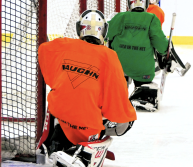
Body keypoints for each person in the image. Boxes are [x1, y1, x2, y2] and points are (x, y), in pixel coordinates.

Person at [38, 9, 137, 167]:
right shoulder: (110, 56)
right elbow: (117, 100)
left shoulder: (63, 44)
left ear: (79, 29)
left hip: (61, 116)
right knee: (127, 117)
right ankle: (83, 149)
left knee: (58, 96)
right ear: (103, 31)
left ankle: (52, 142)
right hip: (88, 124)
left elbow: (43, 49)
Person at [105, 0, 177, 111]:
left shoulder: (120, 17)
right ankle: (144, 95)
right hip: (143, 67)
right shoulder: (152, 18)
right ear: (146, 4)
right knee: (143, 79)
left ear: (129, 4)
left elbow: (106, 34)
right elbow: (159, 41)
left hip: (119, 65)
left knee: (118, 81)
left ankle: (117, 94)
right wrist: (167, 52)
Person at [142, 0, 165, 75]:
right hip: (150, 41)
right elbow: (157, 31)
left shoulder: (140, 9)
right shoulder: (157, 10)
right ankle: (159, 62)